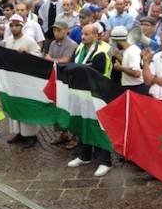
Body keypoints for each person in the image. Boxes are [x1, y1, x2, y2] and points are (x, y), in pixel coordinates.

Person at [67, 23, 113, 177]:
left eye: (86, 34)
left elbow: (95, 73)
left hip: (99, 94)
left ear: (96, 35)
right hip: (82, 93)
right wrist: (82, 68)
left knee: (99, 128)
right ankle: (84, 155)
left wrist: (81, 69)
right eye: (82, 34)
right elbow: (73, 66)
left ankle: (105, 161)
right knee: (84, 123)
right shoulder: (80, 48)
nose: (83, 37)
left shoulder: (102, 51)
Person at [4, 14, 42, 148]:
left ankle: (31, 135)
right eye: (12, 26)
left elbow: (39, 56)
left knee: (27, 106)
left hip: (26, 80)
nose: (14, 28)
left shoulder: (29, 41)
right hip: (13, 80)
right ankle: (19, 132)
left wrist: (28, 53)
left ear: (21, 27)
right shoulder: (8, 40)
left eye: (17, 26)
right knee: (15, 105)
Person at [45, 21, 78, 147]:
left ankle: (74, 136)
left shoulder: (72, 44)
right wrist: (54, 60)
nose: (56, 32)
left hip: (68, 80)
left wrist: (52, 60)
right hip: (56, 79)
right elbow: (49, 57)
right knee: (57, 106)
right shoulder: (53, 43)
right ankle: (62, 133)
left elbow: (65, 60)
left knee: (70, 108)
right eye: (54, 30)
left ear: (66, 30)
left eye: (58, 30)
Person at [111, 26, 146, 94]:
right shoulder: (129, 50)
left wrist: (120, 68)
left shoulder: (132, 51)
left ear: (117, 40)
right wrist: (119, 57)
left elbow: (136, 73)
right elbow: (130, 66)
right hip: (132, 87)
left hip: (136, 88)